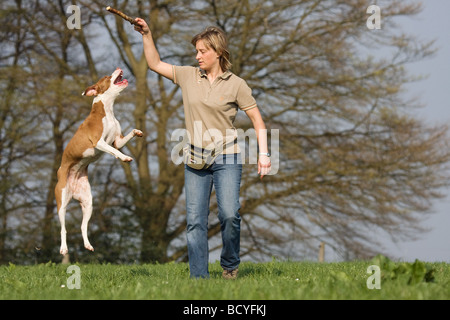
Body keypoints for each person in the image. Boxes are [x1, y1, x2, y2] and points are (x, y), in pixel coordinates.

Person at [134, 18, 271, 279]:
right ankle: (199, 280)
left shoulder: (236, 84)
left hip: (227, 156)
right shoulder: (188, 76)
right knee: (195, 221)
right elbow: (154, 64)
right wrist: (147, 34)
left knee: (230, 214)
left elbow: (257, 119)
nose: (197, 56)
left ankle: (229, 264)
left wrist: (264, 155)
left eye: (202, 51)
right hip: (195, 158)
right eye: (196, 51)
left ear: (218, 52)